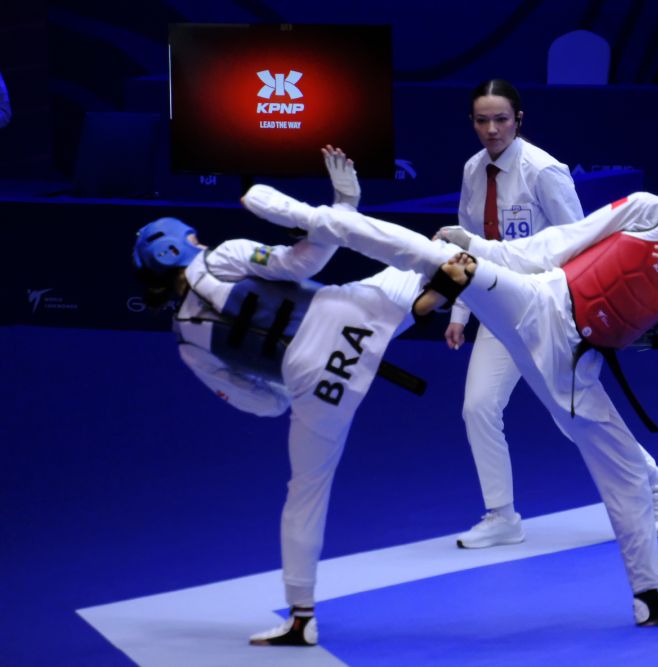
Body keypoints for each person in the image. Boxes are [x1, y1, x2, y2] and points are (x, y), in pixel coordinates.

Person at [240, 151, 658, 626]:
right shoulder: (650, 207)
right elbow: (560, 242)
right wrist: (478, 245)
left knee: (627, 474)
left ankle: (650, 598)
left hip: (574, 364)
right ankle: (306, 216)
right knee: (441, 259)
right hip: (538, 299)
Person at [133, 147, 438, 647]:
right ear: (179, 246)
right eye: (191, 237)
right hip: (344, 318)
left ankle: (301, 616)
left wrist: (303, 382)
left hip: (310, 384)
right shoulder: (224, 255)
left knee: (305, 493)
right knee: (438, 257)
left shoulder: (186, 343)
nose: (199, 239)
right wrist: (343, 203)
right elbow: (306, 259)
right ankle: (457, 296)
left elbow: (263, 404)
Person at [451, 79, 658, 548]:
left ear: (519, 119)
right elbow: (465, 238)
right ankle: (501, 515)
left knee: (574, 415)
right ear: (473, 123)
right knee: (478, 407)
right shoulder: (473, 171)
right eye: (483, 120)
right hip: (496, 308)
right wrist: (460, 310)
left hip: (547, 309)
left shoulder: (544, 171)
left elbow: (578, 241)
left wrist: (580, 313)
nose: (492, 129)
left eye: (501, 119)